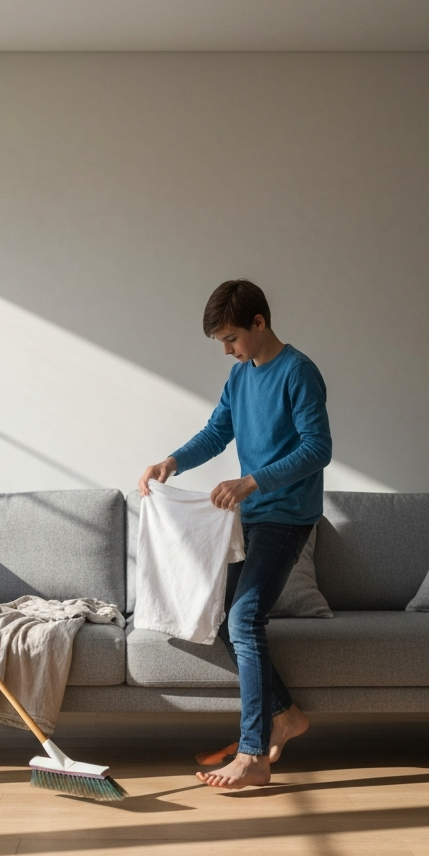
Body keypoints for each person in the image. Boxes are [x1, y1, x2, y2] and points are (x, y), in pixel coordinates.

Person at [138, 279, 332, 789]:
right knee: (226, 615)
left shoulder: (299, 372)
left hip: (287, 515)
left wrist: (252, 481)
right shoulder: (240, 377)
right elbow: (217, 432)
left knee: (245, 617)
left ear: (259, 323)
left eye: (230, 338)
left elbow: (318, 448)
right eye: (222, 342)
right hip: (252, 515)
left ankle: (253, 755)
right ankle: (286, 717)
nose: (227, 350)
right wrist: (172, 462)